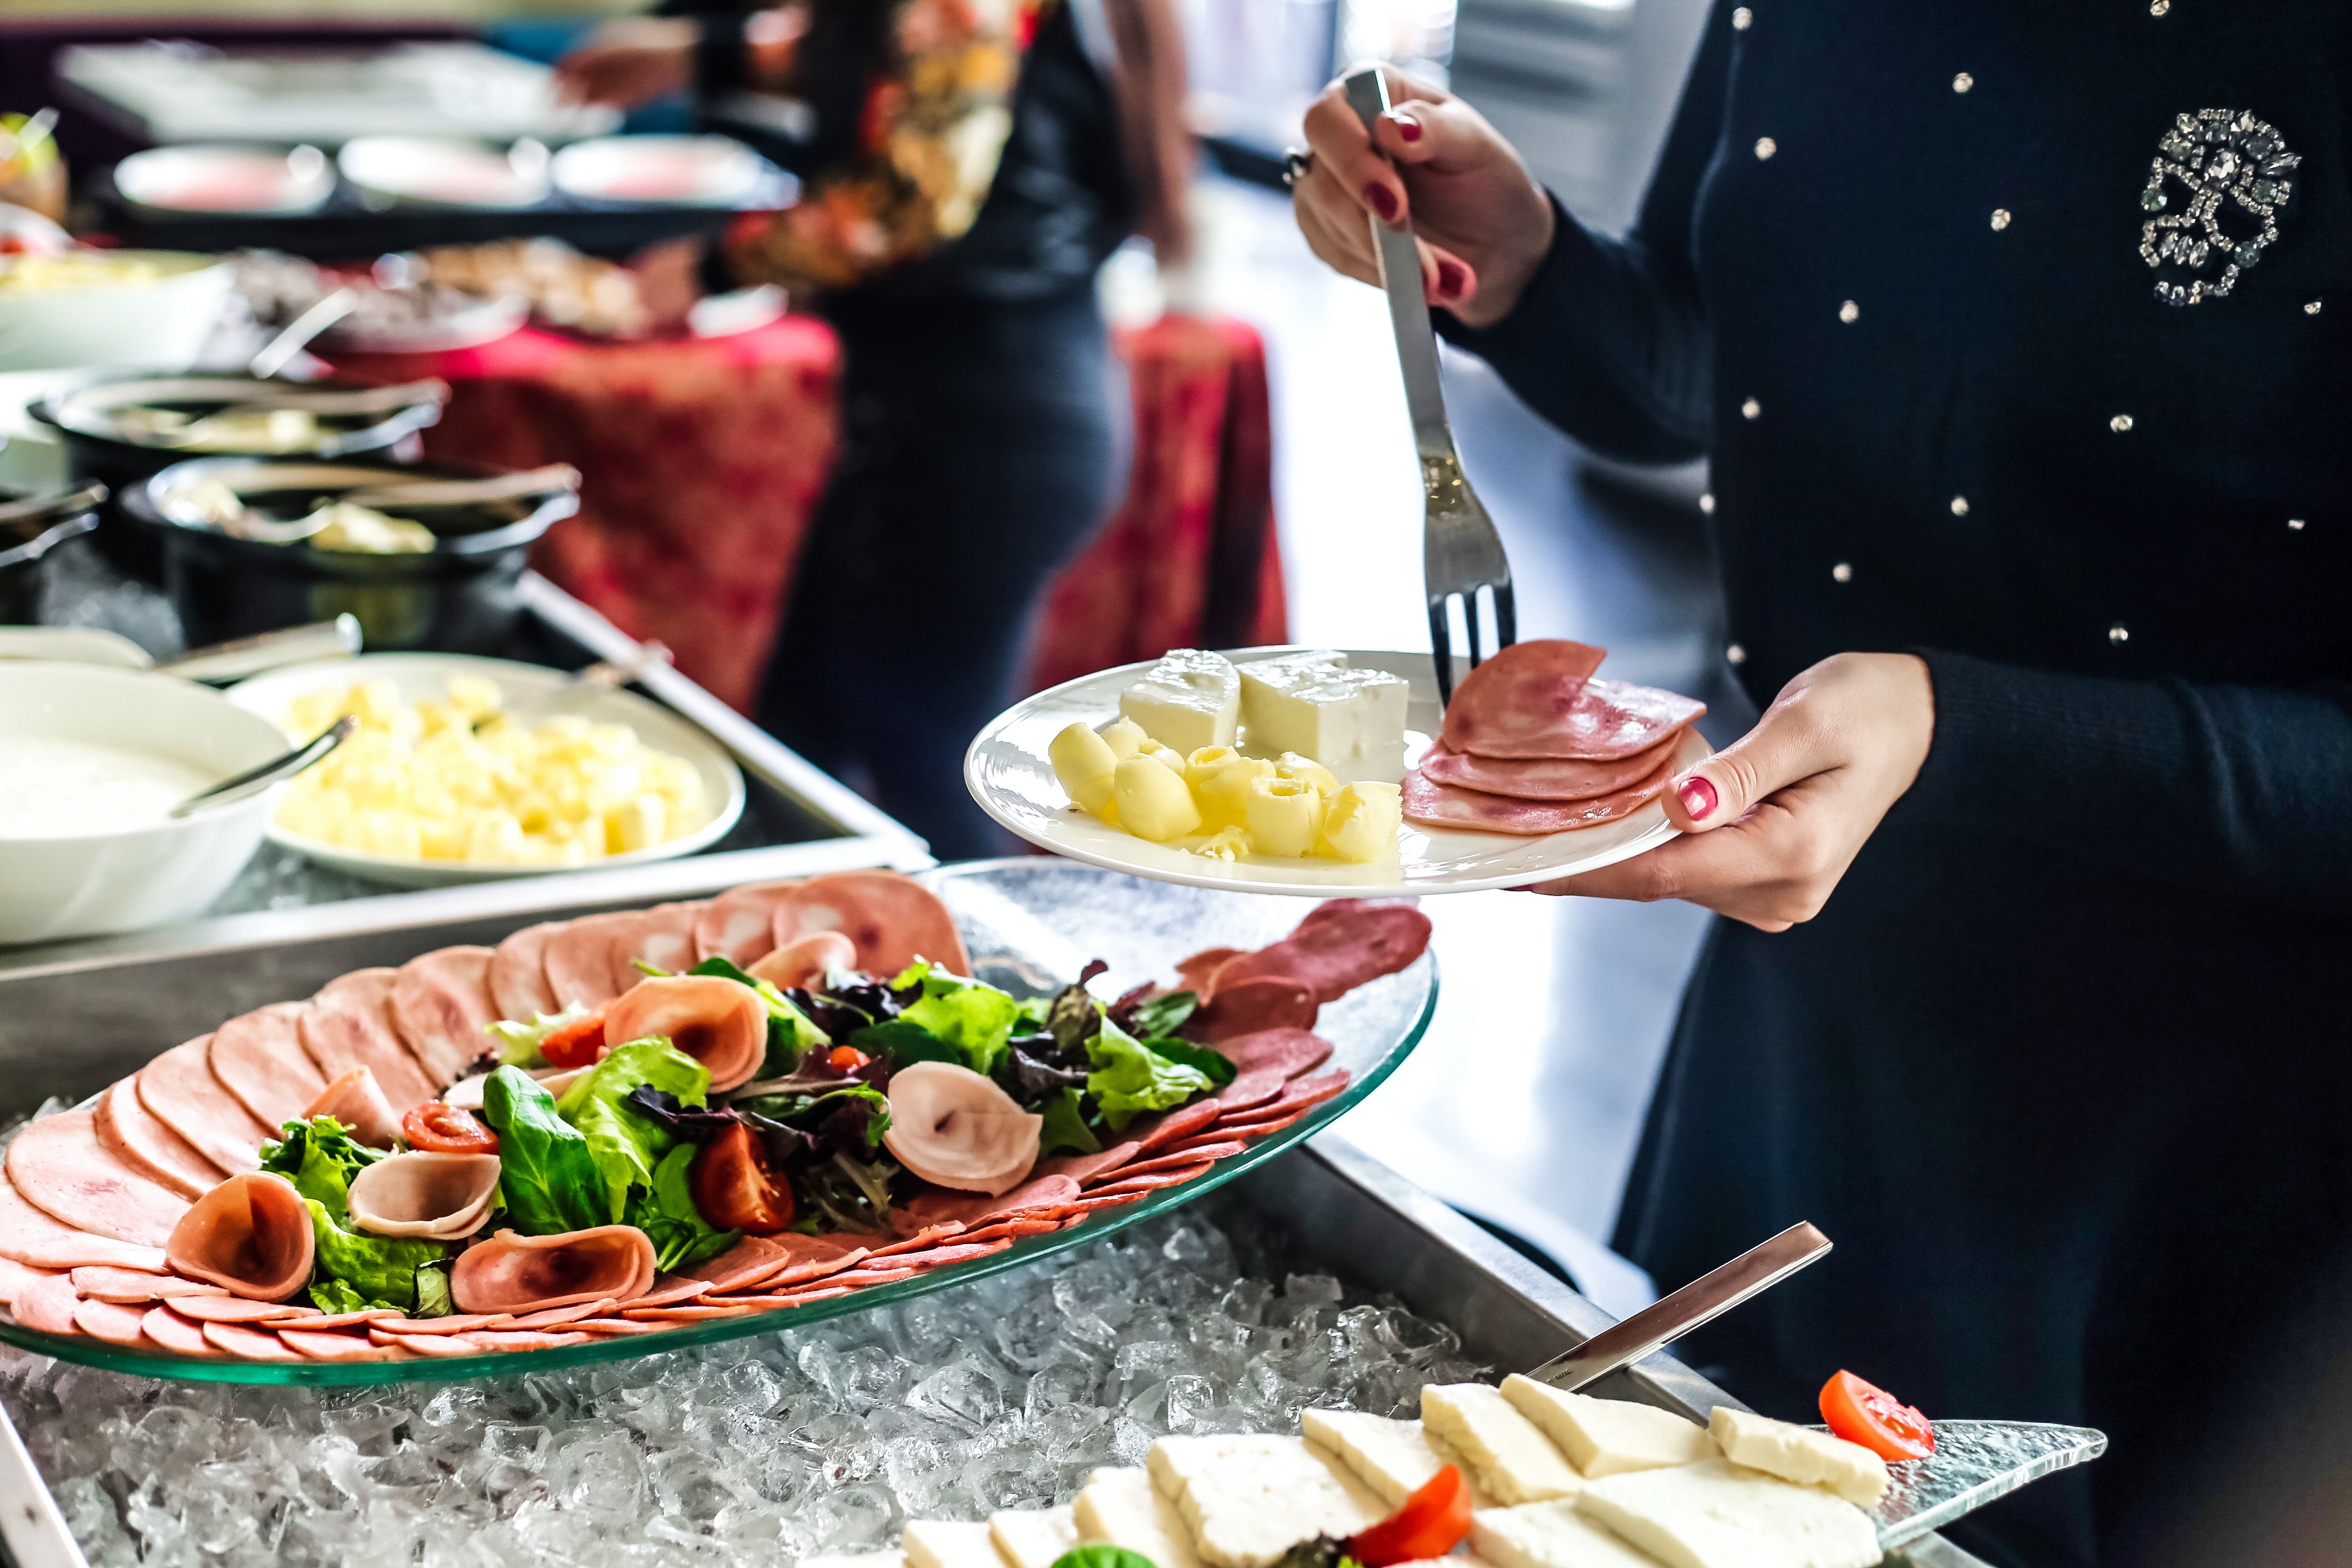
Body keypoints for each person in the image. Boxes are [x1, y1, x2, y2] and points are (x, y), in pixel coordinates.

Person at [1291, 7, 2351, 1566]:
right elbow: (1723, 355)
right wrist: (1526, 267)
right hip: (1815, 975)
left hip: (2201, 1112)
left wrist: (1959, 727)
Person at [559, 0, 1190, 859]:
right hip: (957, 419)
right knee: (801, 743)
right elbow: (905, 62)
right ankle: (794, 980)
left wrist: (716, 262)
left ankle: (1000, 979)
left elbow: (909, 199)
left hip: (984, 432)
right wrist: (697, 55)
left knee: (929, 781)